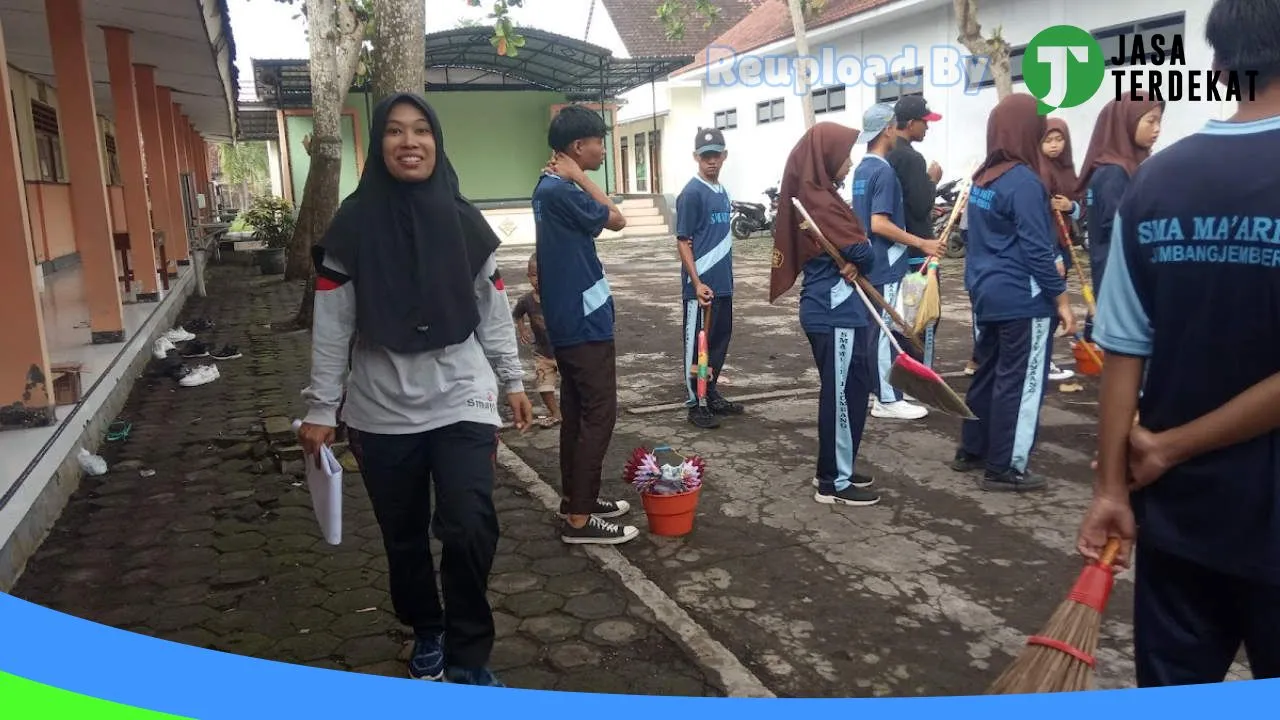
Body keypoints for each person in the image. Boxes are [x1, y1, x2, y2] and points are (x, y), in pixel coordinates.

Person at [297, 92, 535, 687]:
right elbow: (333, 325)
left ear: (437, 142)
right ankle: (427, 629)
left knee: (470, 522)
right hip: (380, 407)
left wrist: (513, 380)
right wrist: (321, 407)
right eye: (396, 132)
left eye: (422, 130)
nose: (410, 142)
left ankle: (469, 652)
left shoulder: (465, 223)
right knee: (403, 537)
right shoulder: (350, 228)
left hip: (462, 393)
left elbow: (493, 307)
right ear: (378, 146)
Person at [1076, 0, 1280, 687]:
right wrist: (1165, 448)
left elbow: (1123, 348)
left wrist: (1111, 485)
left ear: (1220, 66)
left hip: (1178, 521)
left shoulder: (1156, 181)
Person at [951, 93, 1076, 492]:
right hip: (1023, 297)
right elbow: (1038, 250)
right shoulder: (1023, 181)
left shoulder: (984, 178)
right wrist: (1061, 299)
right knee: (1021, 380)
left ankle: (974, 448)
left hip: (987, 292)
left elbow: (977, 238)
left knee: (988, 372)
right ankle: (1006, 466)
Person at [533, 105, 639, 546]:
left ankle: (577, 499)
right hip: (582, 320)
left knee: (577, 413)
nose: (604, 149)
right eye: (600, 142)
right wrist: (580, 177)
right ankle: (580, 518)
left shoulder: (547, 187)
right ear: (579, 147)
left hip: (570, 316)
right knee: (598, 414)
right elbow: (616, 219)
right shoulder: (563, 189)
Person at [770, 122, 880, 507]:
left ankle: (838, 466)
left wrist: (857, 255)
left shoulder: (824, 196)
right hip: (833, 311)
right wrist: (860, 254)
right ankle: (833, 480)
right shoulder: (818, 200)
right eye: (846, 154)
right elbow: (863, 252)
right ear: (828, 156)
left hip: (840, 308)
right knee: (842, 395)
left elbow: (857, 252)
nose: (850, 163)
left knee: (853, 387)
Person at [852, 102, 943, 421]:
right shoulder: (883, 171)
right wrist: (923, 242)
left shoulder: (861, 170)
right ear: (889, 129)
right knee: (886, 332)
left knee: (874, 331)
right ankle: (888, 399)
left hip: (870, 262)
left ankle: (879, 394)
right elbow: (880, 223)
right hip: (886, 263)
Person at [1075, 92, 1164, 341]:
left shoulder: (1126, 165)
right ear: (1126, 122)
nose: (1157, 129)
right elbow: (1120, 227)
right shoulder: (1114, 171)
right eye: (1150, 121)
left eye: (1159, 121)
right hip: (1123, 273)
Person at [676, 127, 744, 429]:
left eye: (716, 155)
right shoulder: (691, 193)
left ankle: (711, 392)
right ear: (696, 158)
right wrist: (697, 281)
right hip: (701, 288)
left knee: (718, 344)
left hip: (723, 286)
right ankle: (696, 401)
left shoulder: (723, 191)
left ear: (725, 156)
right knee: (697, 346)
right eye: (705, 157)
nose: (711, 162)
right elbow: (683, 241)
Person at [887, 95, 945, 371]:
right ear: (910, 123)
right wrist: (932, 179)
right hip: (918, 253)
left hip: (895, 251)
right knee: (923, 317)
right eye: (925, 122)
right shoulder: (911, 158)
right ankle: (919, 375)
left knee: (900, 318)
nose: (927, 128)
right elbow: (921, 206)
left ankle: (899, 373)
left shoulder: (884, 153)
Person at [1039, 117, 1083, 383]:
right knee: (1048, 303)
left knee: (1055, 305)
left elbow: (1080, 203)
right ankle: (1042, 361)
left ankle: (1045, 358)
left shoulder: (1068, 169)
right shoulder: (1038, 170)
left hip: (1065, 244)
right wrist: (1051, 252)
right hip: (1048, 247)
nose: (1054, 146)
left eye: (1059, 139)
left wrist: (1070, 207)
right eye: (1048, 140)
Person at [512, 252, 561, 427]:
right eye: (533, 275)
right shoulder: (526, 300)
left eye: (542, 274)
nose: (537, 279)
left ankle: (577, 413)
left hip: (564, 352)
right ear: (528, 276)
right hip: (543, 354)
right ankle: (555, 413)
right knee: (544, 387)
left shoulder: (560, 297)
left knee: (575, 386)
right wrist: (522, 327)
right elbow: (517, 314)